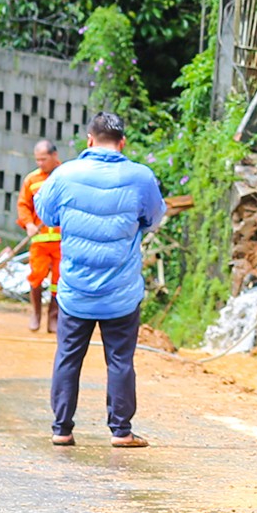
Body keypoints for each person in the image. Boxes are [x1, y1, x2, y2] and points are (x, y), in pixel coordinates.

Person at [37, 112, 166, 449]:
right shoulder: (140, 177)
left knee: (68, 356)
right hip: (121, 291)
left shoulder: (65, 174)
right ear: (122, 143)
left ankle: (61, 428)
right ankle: (121, 431)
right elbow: (153, 218)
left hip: (75, 290)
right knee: (120, 360)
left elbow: (46, 214)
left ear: (89, 140)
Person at [16, 139, 60, 333]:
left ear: (54, 156)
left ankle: (54, 317)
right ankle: (36, 314)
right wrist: (29, 224)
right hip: (40, 240)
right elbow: (23, 204)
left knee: (59, 281)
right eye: (37, 160)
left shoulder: (66, 176)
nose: (40, 163)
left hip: (62, 241)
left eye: (43, 159)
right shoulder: (31, 180)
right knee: (36, 277)